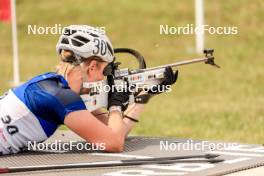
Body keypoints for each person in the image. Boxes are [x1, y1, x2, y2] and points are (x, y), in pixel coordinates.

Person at [0, 25, 178, 155]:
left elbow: (115, 132)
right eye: (105, 71)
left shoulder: (57, 88)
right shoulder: (61, 97)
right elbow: (114, 143)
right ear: (92, 67)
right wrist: (115, 105)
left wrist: (144, 97)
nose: (103, 78)